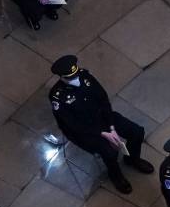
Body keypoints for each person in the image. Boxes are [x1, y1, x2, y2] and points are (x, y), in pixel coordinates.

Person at [48, 54, 153, 195]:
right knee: (109, 152)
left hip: (103, 118)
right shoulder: (57, 96)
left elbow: (104, 101)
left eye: (76, 74)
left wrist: (111, 127)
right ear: (62, 77)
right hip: (85, 131)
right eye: (72, 78)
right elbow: (73, 125)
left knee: (137, 132)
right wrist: (103, 134)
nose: (77, 79)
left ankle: (132, 158)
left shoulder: (85, 77)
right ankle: (115, 175)